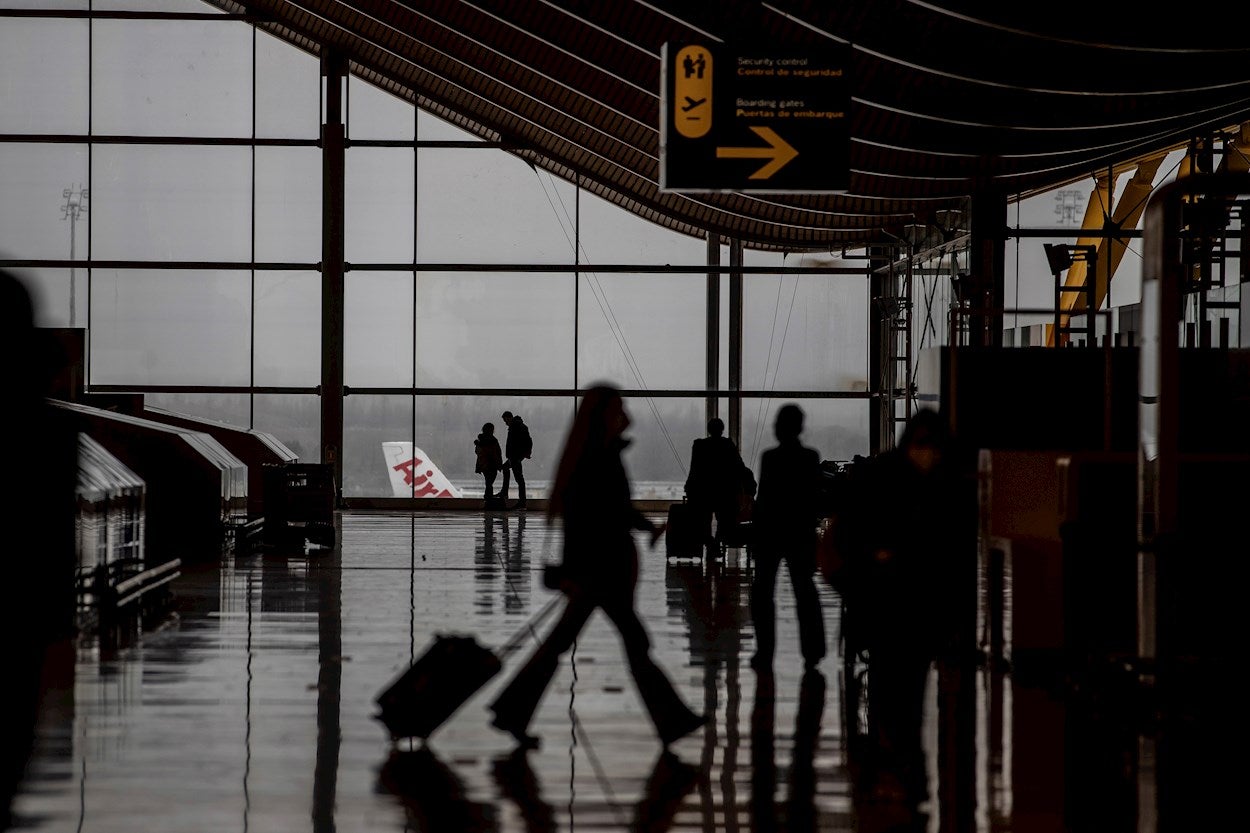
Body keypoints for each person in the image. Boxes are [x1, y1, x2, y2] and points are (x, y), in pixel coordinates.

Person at [488, 384, 705, 750]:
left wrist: (646, 528)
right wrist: (580, 567)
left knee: (568, 641)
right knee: (632, 641)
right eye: (618, 408)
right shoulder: (597, 457)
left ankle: (512, 710)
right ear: (604, 414)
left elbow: (605, 509)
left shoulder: (595, 453)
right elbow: (593, 514)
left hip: (599, 567)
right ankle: (672, 719)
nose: (626, 415)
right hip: (601, 568)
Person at [833, 407, 975, 803]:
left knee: (901, 691)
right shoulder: (927, 486)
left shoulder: (923, 483)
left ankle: (895, 768)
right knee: (898, 690)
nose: (930, 455)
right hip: (892, 608)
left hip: (907, 611)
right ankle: (898, 770)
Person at [749, 403, 826, 672]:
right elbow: (813, 498)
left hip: (771, 532)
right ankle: (813, 651)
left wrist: (757, 533)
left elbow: (765, 499)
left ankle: (765, 650)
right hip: (800, 532)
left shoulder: (769, 458)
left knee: (762, 593)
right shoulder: (810, 457)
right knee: (804, 591)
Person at [684, 417, 747, 556]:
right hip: (724, 492)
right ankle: (716, 543)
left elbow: (694, 469)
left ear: (709, 430)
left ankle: (710, 543)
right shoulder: (728, 445)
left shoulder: (699, 446)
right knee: (724, 520)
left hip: (704, 492)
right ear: (722, 429)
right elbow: (739, 467)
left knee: (703, 521)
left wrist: (689, 487)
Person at [499, 410, 532, 509]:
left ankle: (520, 501)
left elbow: (515, 443)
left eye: (505, 421)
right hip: (515, 456)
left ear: (509, 418)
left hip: (515, 456)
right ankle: (512, 496)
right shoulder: (520, 426)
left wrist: (518, 455)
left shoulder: (515, 428)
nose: (505, 423)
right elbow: (529, 441)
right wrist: (526, 453)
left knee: (519, 478)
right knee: (517, 477)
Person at [474, 421, 504, 504]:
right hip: (492, 464)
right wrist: (499, 464)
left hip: (483, 464)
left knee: (488, 481)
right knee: (489, 481)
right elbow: (497, 453)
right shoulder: (493, 441)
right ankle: (488, 498)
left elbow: (478, 452)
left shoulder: (480, 441)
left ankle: (488, 497)